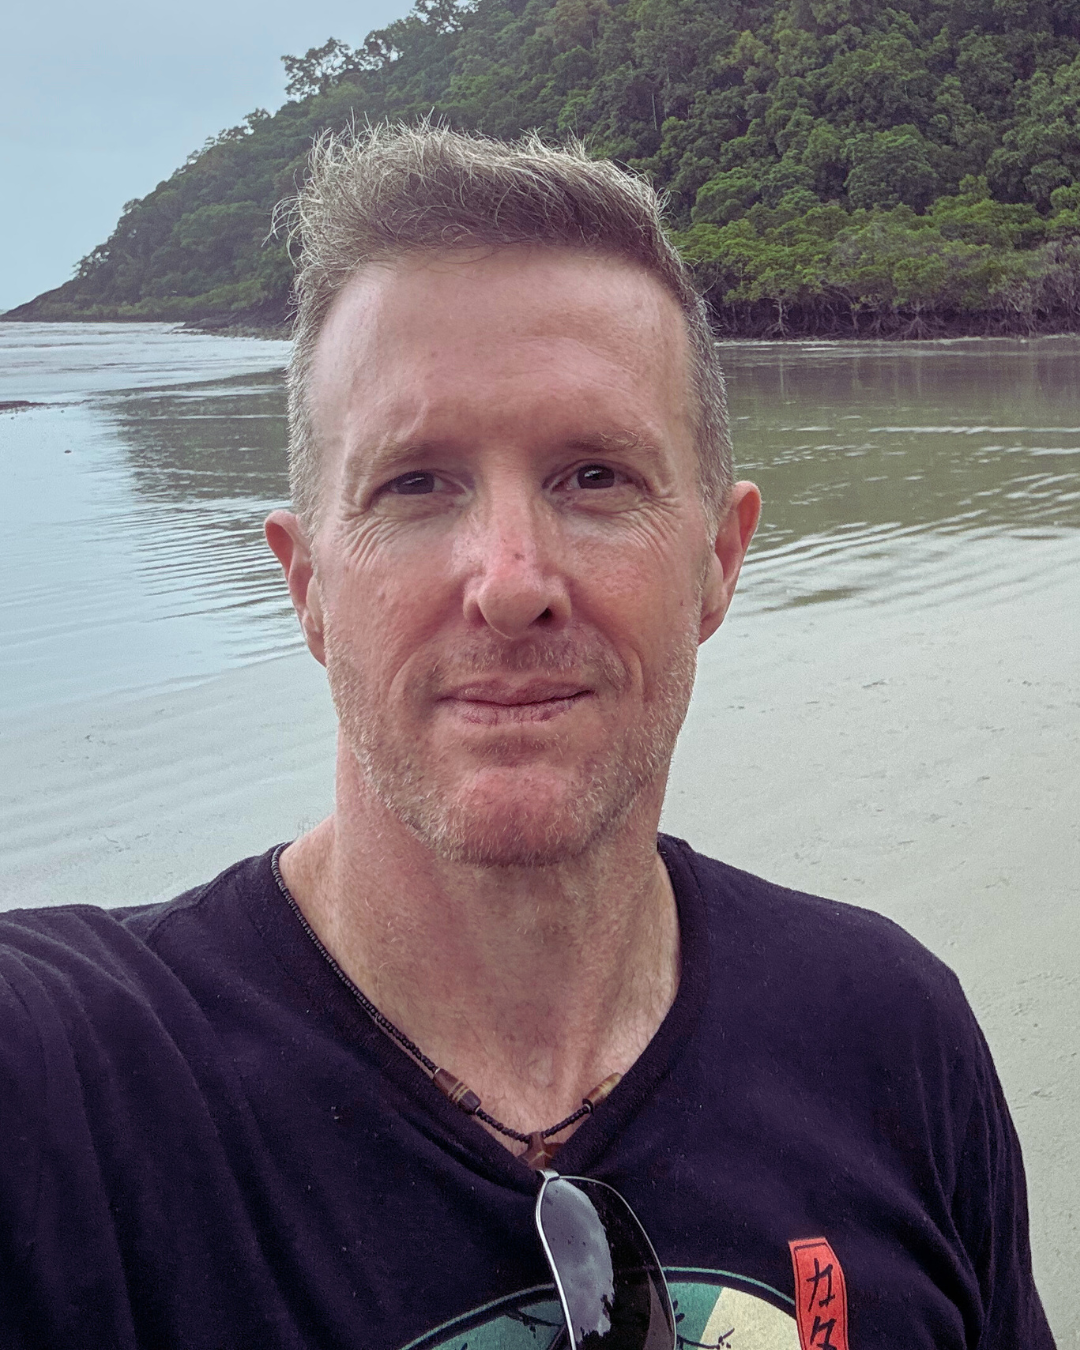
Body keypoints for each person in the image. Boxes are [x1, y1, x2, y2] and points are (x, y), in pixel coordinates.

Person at [0, 124, 1053, 1350]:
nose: (510, 583)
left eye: (594, 476)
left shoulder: (892, 1039)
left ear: (719, 560)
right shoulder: (71, 1091)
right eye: (415, 483)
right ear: (308, 587)